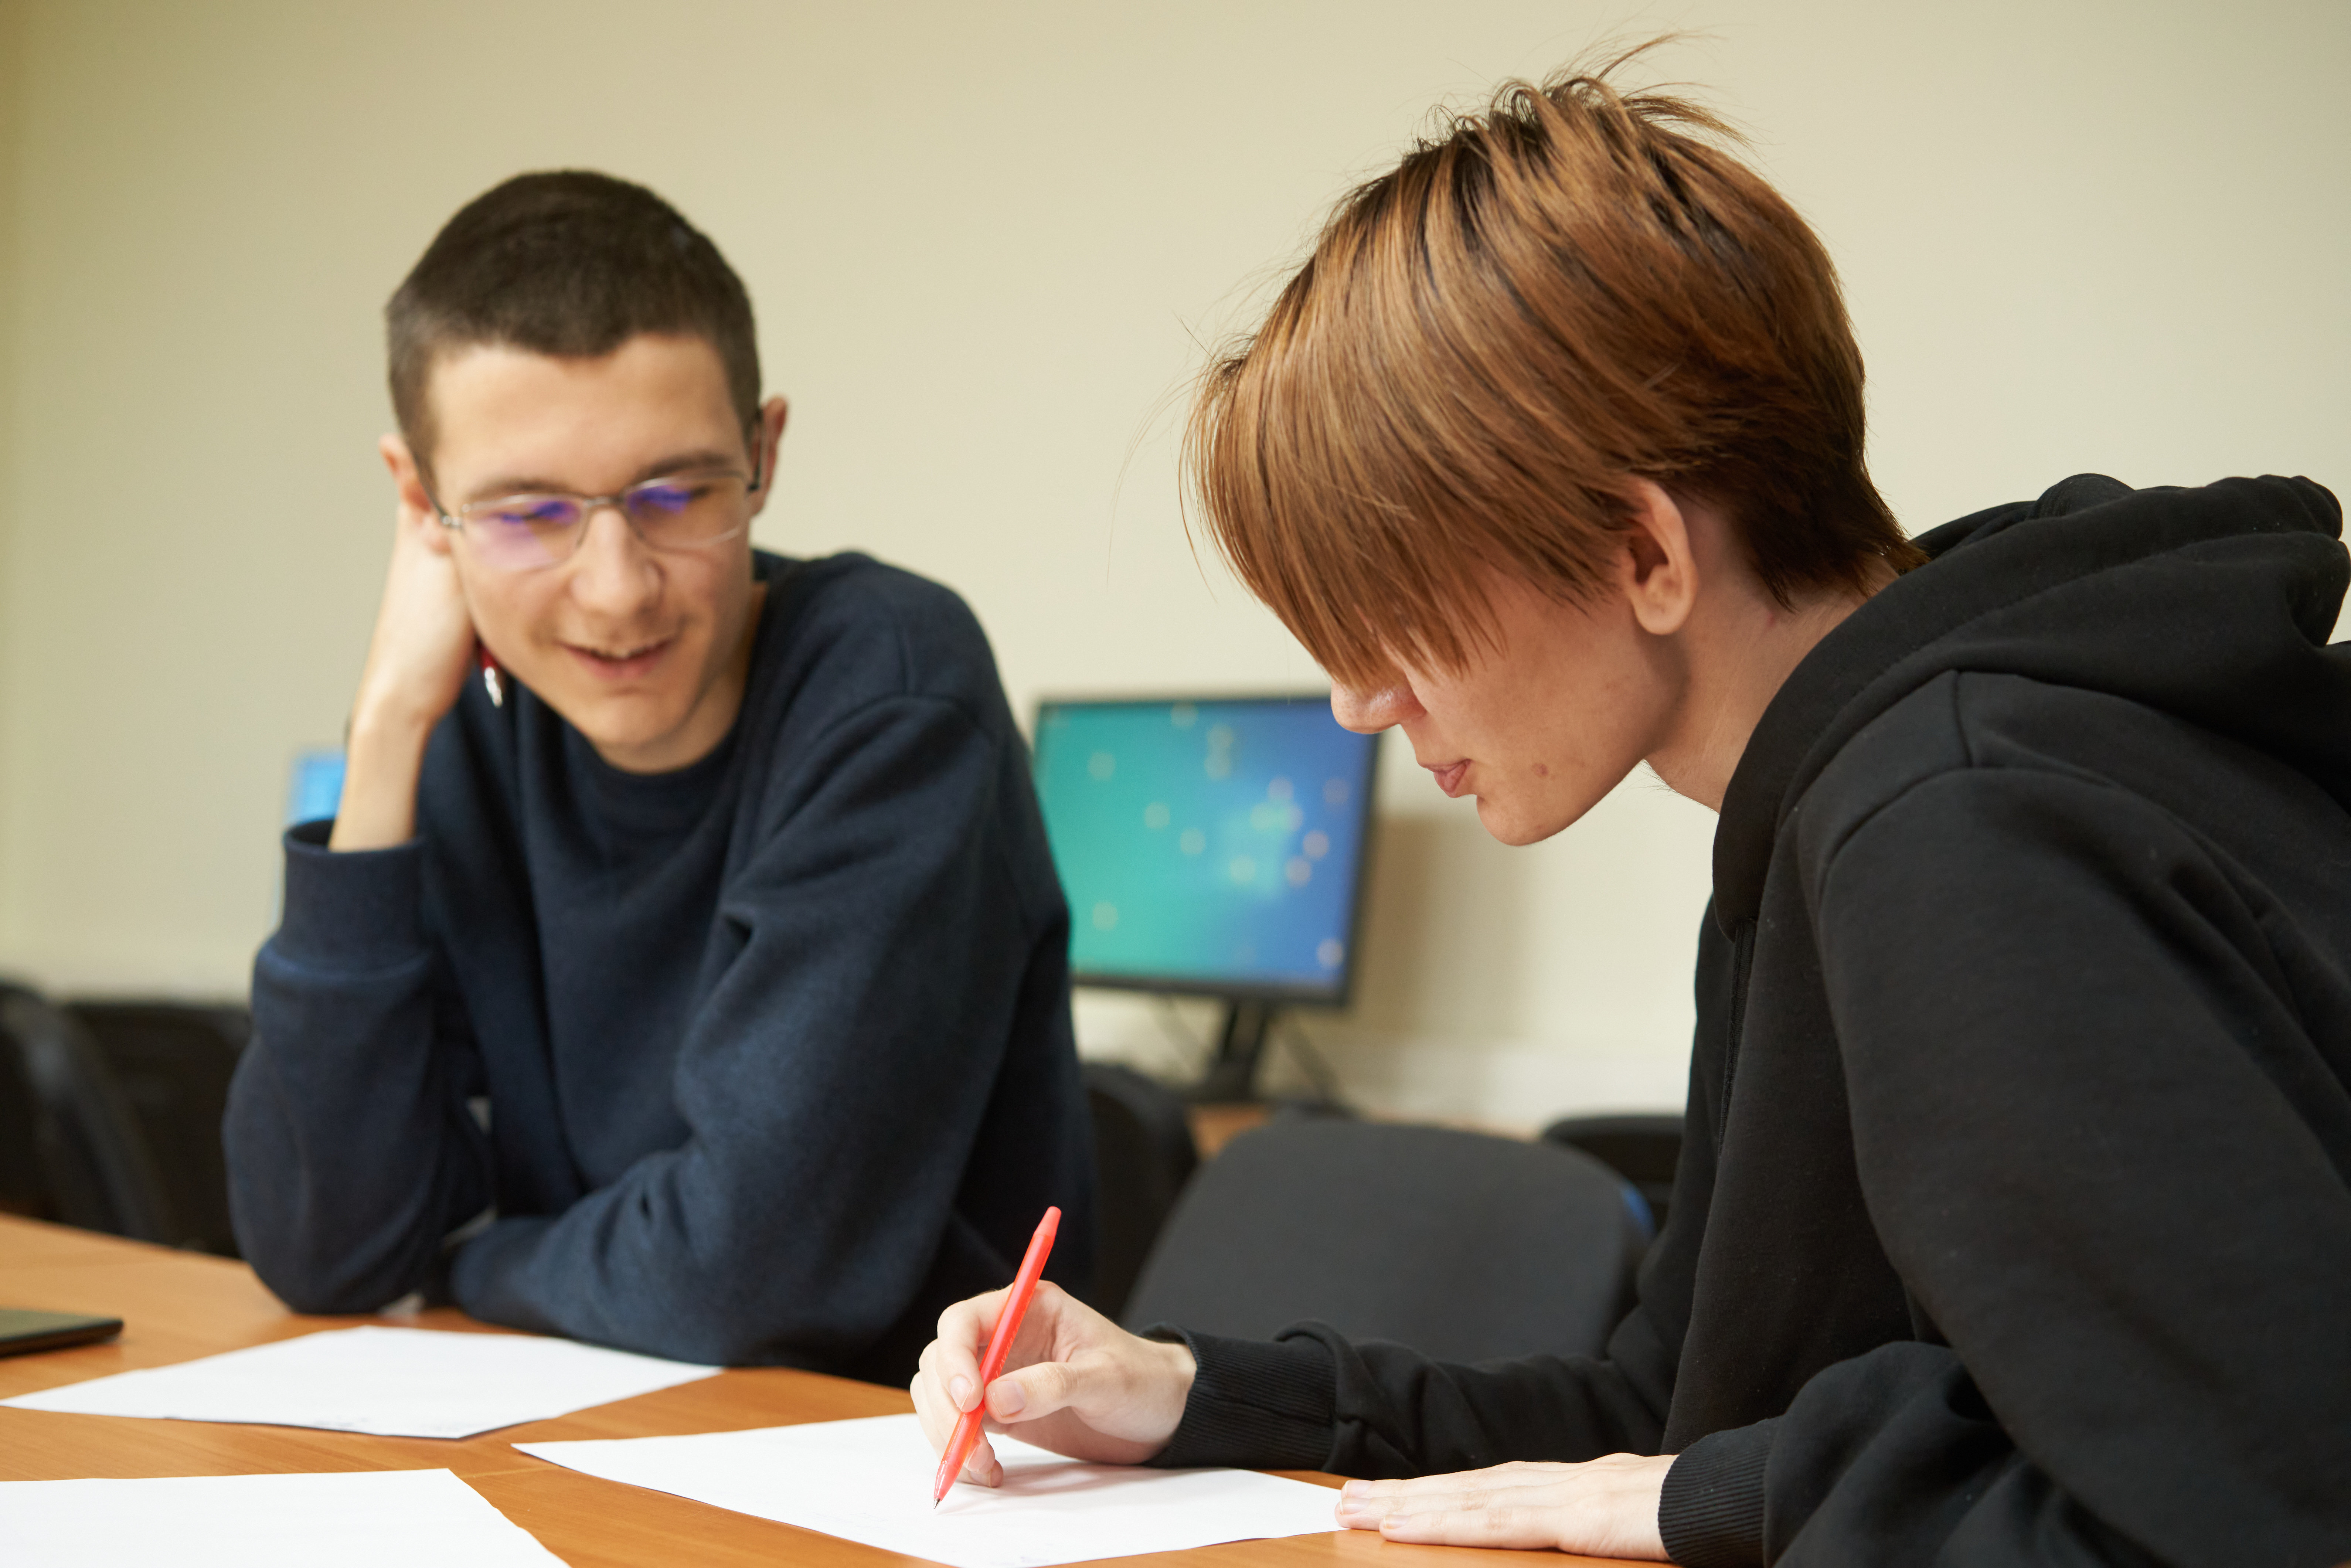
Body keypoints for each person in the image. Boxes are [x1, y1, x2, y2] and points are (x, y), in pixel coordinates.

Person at [907, 56, 2351, 1566]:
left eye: (1390, 617)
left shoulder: (1953, 818)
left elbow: (2245, 1515)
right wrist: (1187, 1391)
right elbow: (1673, 1412)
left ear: (1644, 552)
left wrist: (1718, 1494)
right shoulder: (1828, 810)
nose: (1358, 702)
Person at [224, 171, 1094, 1382]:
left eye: (676, 493)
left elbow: (743, 1274)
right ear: (422, 504)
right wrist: (384, 733)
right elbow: (325, 1248)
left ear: (763, 451)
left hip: (873, 1451)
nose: (616, 588)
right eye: (528, 513)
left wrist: (472, 1258)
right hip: (588, 1413)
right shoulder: (478, 719)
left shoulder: (889, 687)